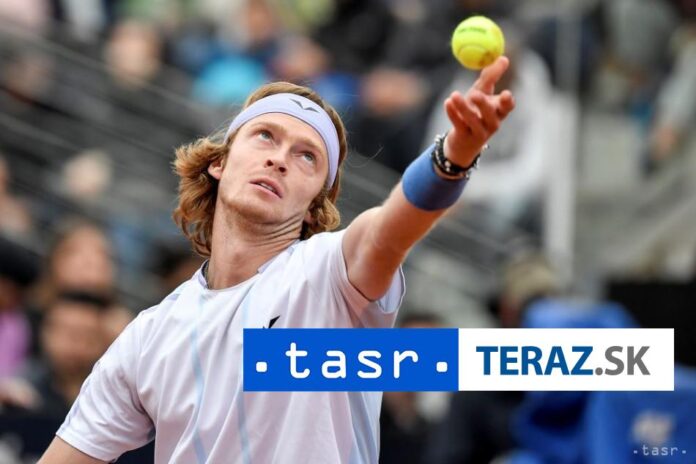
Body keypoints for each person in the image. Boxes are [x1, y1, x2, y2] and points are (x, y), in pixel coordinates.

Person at [38, 57, 515, 463]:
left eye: (308, 157)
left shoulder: (327, 273)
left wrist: (452, 157)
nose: (280, 159)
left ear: (313, 207)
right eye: (265, 136)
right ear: (219, 163)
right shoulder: (147, 337)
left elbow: (389, 231)